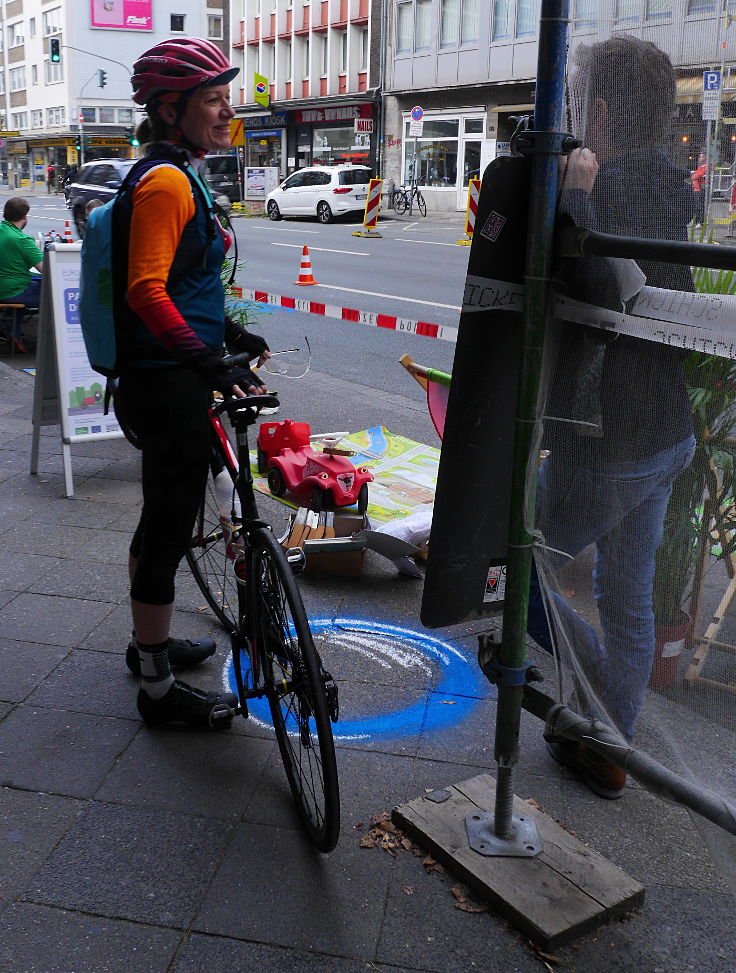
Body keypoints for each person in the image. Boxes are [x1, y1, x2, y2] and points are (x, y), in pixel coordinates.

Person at [527, 36, 696, 798]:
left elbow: (602, 288)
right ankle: (608, 747)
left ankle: (593, 716)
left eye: (578, 97)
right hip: (666, 430)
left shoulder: (612, 185)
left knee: (510, 566)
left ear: (599, 109)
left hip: (614, 435)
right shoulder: (666, 181)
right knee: (628, 600)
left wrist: (575, 197)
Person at [114, 37, 272, 728]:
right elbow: (146, 289)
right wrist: (206, 360)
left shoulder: (182, 172)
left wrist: (228, 336)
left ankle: (149, 640)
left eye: (223, 96)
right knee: (170, 524)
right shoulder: (167, 182)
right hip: (165, 379)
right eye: (211, 99)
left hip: (175, 369)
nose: (225, 109)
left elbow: (183, 281)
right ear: (171, 110)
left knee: (161, 515)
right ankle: (155, 687)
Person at [0, 197, 44, 343]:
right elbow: (46, 269)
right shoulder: (22, 240)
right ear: (25, 216)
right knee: (50, 291)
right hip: (11, 291)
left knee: (27, 281)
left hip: (4, 287)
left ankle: (13, 331)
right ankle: (53, 337)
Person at [691, 151, 707, 226]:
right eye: (700, 157)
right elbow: (695, 174)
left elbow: (698, 175)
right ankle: (695, 221)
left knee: (701, 205)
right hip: (696, 188)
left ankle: (701, 222)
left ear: (705, 157)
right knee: (696, 206)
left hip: (702, 188)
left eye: (701, 156)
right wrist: (695, 176)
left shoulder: (707, 166)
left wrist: (695, 176)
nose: (700, 158)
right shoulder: (700, 167)